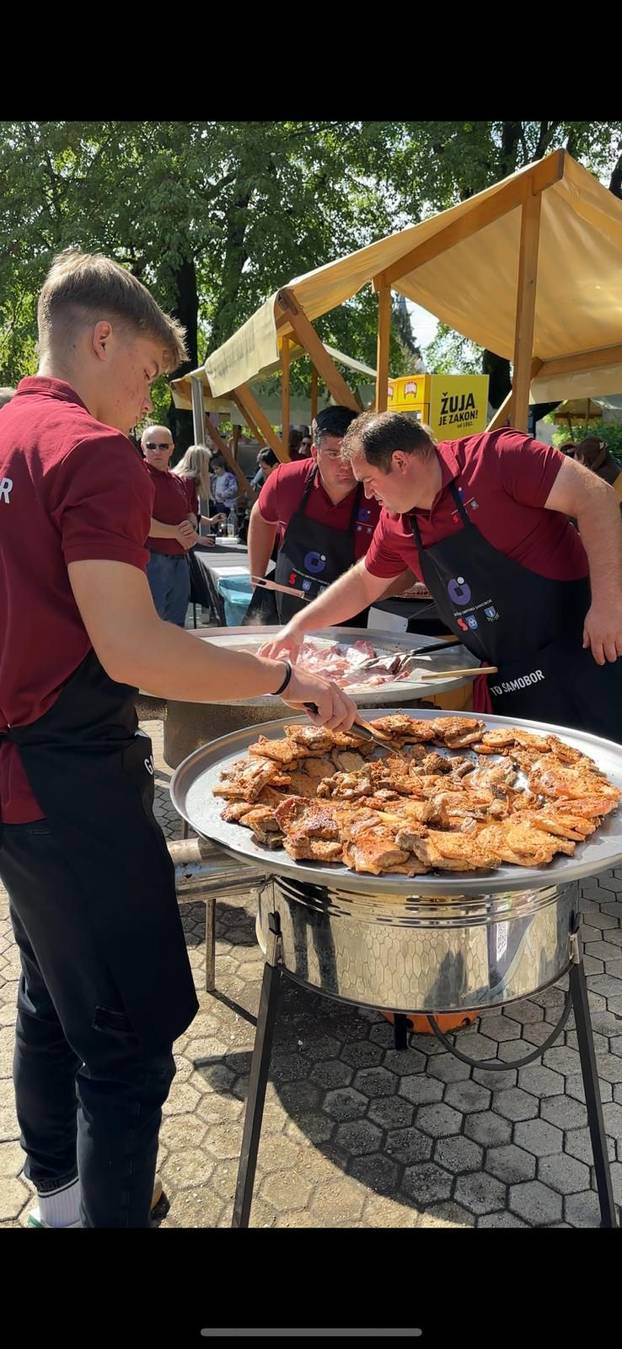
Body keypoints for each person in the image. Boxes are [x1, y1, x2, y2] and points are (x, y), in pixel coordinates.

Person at [0, 248, 356, 1229]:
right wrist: (285, 682)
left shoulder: (7, 431)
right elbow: (134, 649)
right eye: (149, 370)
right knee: (127, 1041)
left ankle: (59, 1201)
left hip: (16, 779)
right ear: (101, 338)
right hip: (71, 781)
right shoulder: (91, 450)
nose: (147, 395)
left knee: (50, 990)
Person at [261, 410, 622, 740]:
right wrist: (298, 627)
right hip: (511, 674)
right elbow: (363, 584)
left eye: (369, 480)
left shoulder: (498, 458)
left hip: (588, 647)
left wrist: (608, 605)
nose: (367, 493)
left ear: (400, 461)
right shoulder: (396, 522)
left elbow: (597, 498)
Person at [247, 405, 381, 626]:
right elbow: (261, 516)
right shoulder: (287, 480)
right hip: (285, 614)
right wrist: (257, 579)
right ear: (315, 452)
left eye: (352, 453)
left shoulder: (378, 494)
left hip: (349, 625)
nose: (345, 464)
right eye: (333, 454)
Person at [141, 424, 200, 627]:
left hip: (179, 561)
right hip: (152, 560)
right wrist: (177, 533)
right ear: (143, 447)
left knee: (176, 626)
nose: (157, 451)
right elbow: (139, 521)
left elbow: (189, 513)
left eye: (163, 446)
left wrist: (190, 527)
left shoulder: (177, 480)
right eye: (151, 446)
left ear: (172, 449)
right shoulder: (137, 477)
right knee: (153, 626)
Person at [172, 443, 225, 530]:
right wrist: (196, 537)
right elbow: (184, 515)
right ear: (201, 463)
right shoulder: (187, 481)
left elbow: (189, 513)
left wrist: (210, 521)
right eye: (206, 462)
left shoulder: (181, 478)